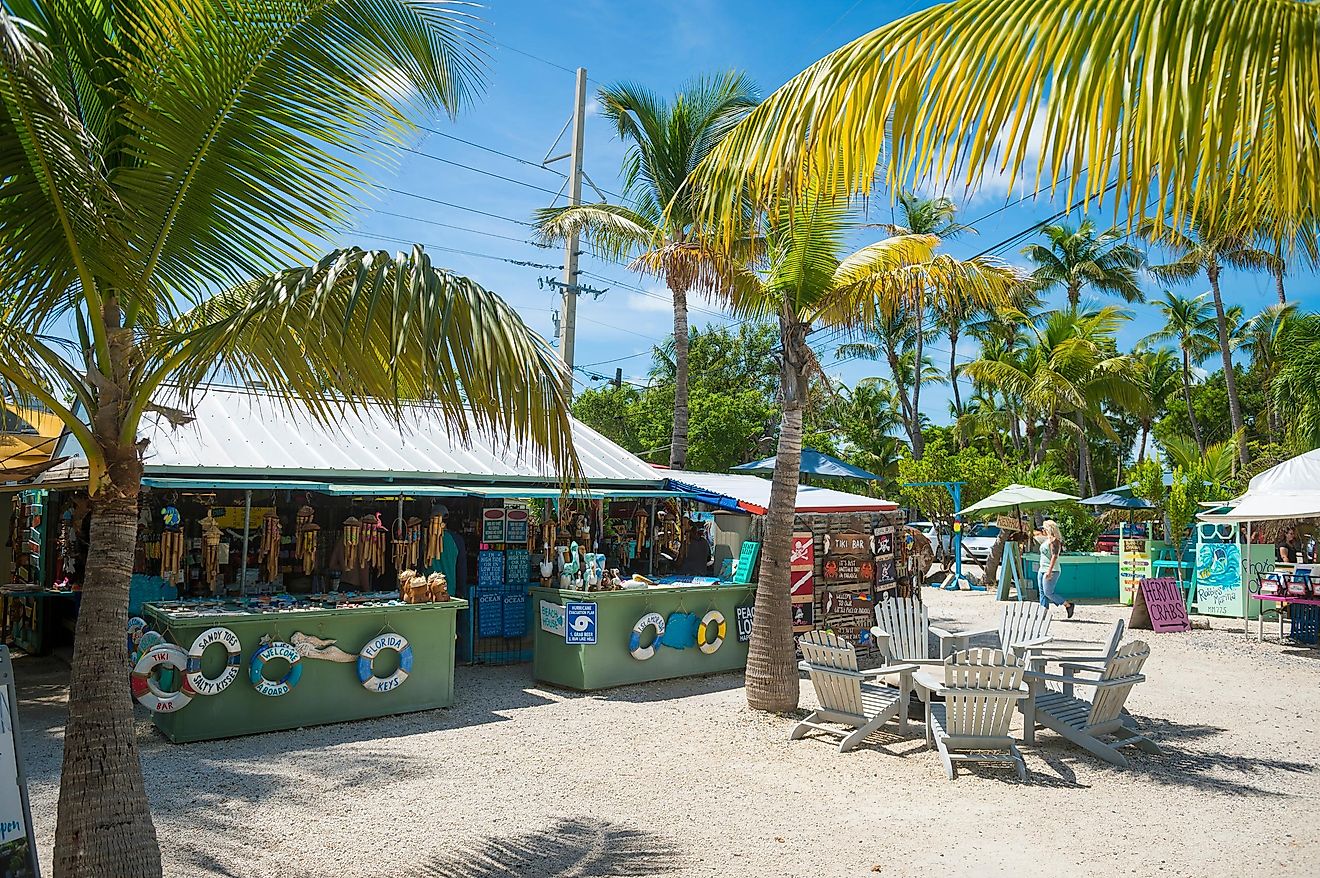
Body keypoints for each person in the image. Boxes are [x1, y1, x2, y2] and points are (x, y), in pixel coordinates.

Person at [1034, 519, 1074, 618]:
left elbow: (1054, 556)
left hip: (1051, 569)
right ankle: (1043, 612)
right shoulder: (1046, 540)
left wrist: (1049, 571)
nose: (1043, 530)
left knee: (1048, 592)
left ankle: (1067, 604)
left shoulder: (1054, 541)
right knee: (1042, 592)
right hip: (1042, 568)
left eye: (1044, 528)